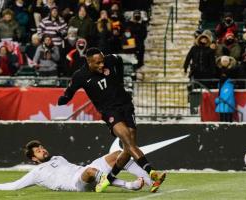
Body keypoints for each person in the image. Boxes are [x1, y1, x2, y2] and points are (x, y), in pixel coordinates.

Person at [58, 48, 166, 193]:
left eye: (102, 61)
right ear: (89, 62)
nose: (102, 65)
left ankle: (108, 179)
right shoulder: (80, 76)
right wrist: (64, 99)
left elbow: (119, 60)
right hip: (110, 111)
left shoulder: (110, 59)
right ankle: (153, 173)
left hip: (126, 106)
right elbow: (69, 93)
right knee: (128, 141)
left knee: (129, 148)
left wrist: (120, 79)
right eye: (98, 63)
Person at [0, 140, 148, 192]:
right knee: (91, 171)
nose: (42, 150)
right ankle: (128, 185)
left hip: (86, 171)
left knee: (118, 154)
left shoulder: (58, 157)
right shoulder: (37, 172)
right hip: (77, 184)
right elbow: (14, 185)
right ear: (34, 159)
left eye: (41, 147)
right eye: (38, 151)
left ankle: (150, 178)